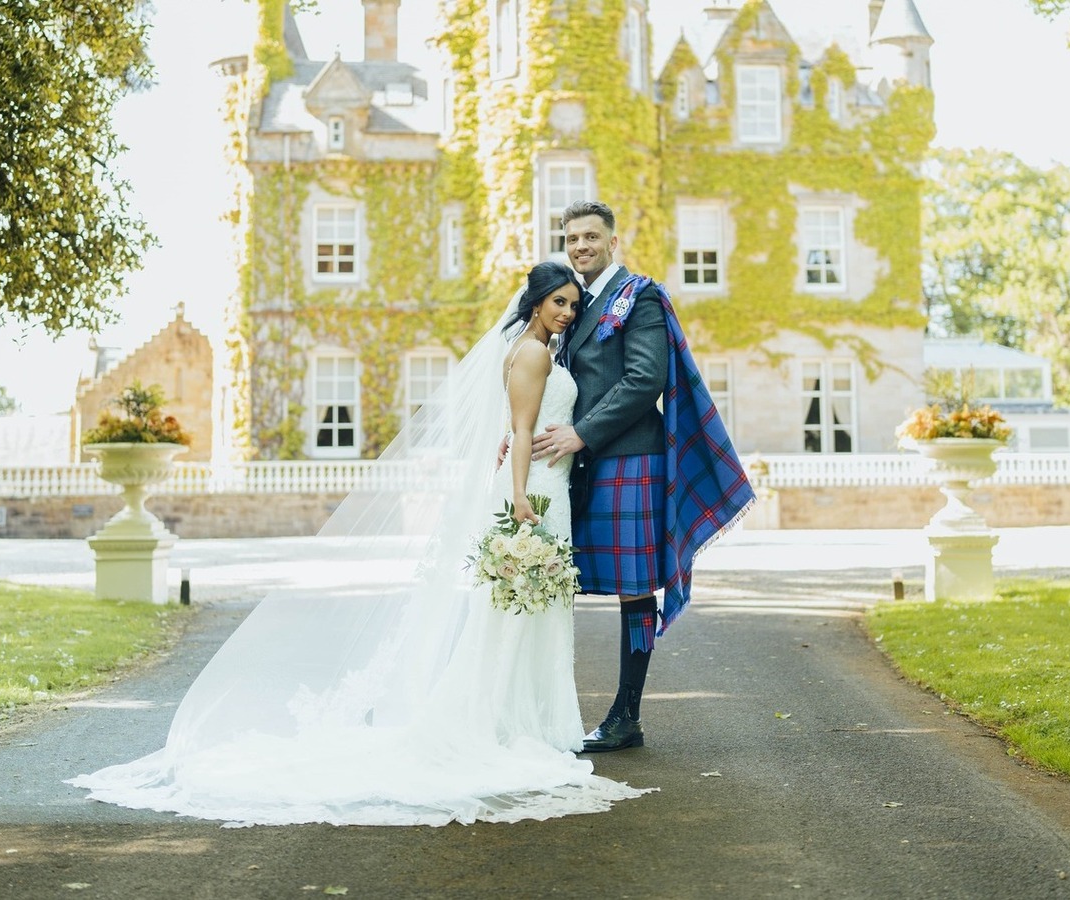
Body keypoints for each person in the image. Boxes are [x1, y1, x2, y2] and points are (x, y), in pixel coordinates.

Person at [69, 261, 650, 826]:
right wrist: (520, 496)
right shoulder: (529, 353)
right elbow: (522, 431)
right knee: (514, 612)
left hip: (549, 486)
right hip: (534, 493)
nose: (569, 313)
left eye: (574, 305)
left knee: (532, 610)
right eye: (560, 303)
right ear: (536, 303)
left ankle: (526, 722)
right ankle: (504, 723)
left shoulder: (540, 351)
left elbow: (514, 426)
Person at [532, 200, 755, 753]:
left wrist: (582, 434)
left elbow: (643, 379)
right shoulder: (575, 304)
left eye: (590, 237)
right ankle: (540, 704)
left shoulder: (641, 296)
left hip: (631, 457)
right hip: (586, 463)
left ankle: (626, 715)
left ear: (612, 240)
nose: (580, 246)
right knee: (561, 583)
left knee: (635, 591)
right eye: (572, 239)